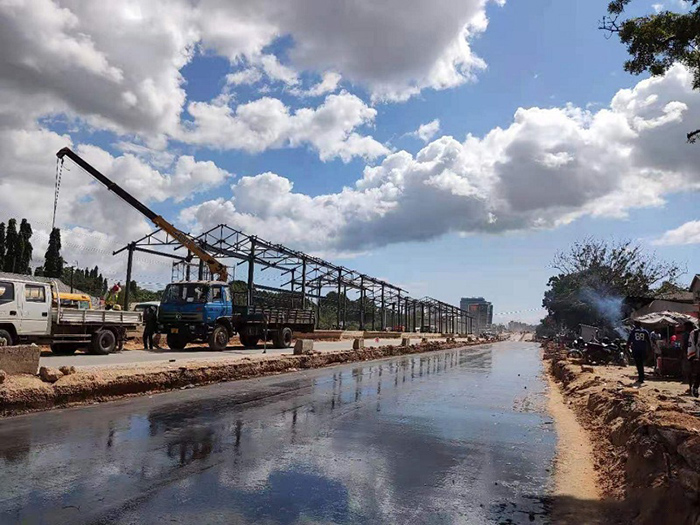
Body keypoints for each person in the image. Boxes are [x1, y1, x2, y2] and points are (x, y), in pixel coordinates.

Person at [685, 322, 700, 397]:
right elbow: (691, 346)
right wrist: (692, 357)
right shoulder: (695, 334)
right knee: (695, 374)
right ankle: (694, 387)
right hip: (697, 358)